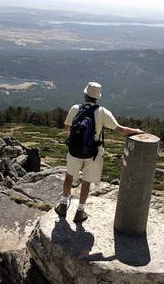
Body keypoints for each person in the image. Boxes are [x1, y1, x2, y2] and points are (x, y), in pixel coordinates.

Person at [55, 81, 144, 222]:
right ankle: (79, 212)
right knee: (86, 182)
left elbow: (67, 128)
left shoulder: (75, 108)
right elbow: (120, 129)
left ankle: (63, 205)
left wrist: (77, 139)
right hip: (94, 153)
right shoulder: (102, 112)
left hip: (74, 151)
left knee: (69, 177)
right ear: (98, 97)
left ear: (85, 94)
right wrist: (137, 131)